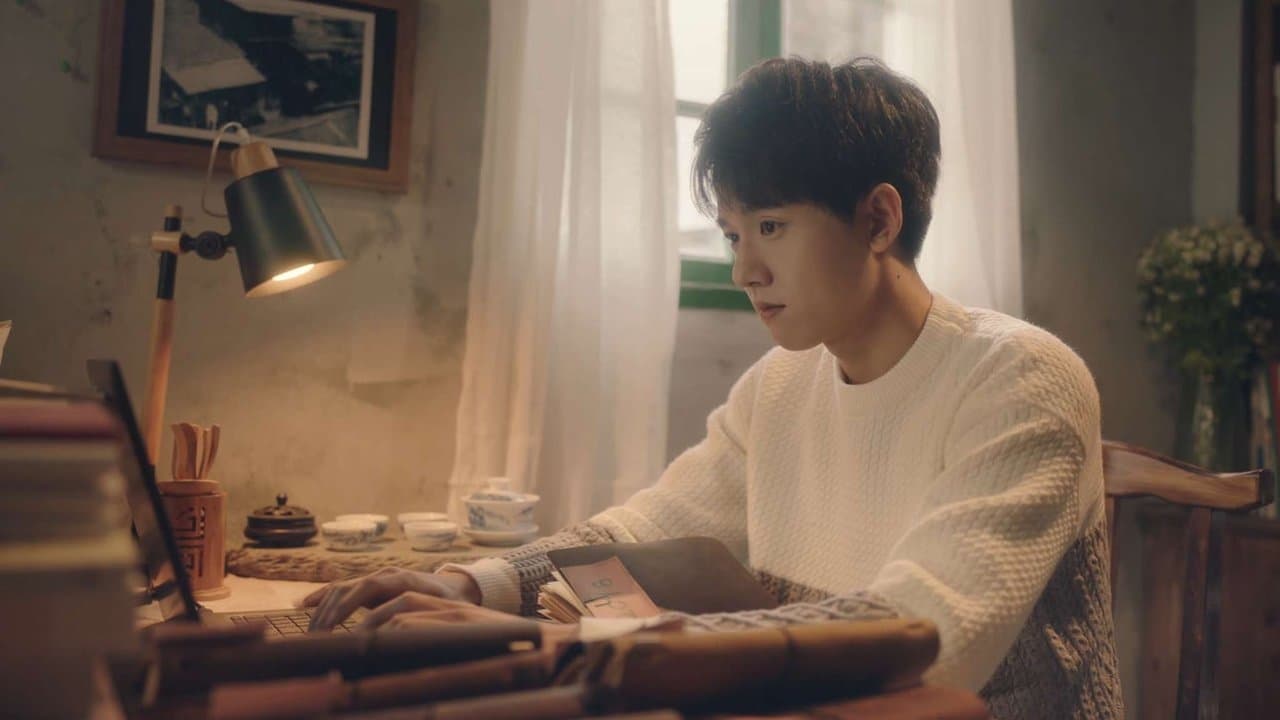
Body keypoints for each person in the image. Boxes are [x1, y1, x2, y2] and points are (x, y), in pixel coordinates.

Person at [303, 57, 1123, 718]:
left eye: (771, 227)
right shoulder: (781, 385)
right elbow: (647, 530)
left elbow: (921, 636)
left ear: (879, 220)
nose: (744, 271)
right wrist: (469, 582)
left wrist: (566, 644)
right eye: (733, 235)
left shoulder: (1021, 378)